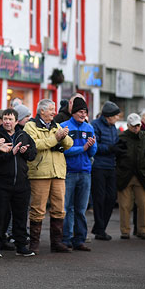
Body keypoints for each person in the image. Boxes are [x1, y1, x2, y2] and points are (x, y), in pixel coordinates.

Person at [24, 99, 74, 253]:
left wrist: (63, 136)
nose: (54, 112)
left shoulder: (56, 125)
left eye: (54, 109)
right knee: (38, 209)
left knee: (59, 208)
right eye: (51, 109)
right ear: (42, 111)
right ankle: (34, 244)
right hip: (40, 173)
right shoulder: (30, 126)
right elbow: (35, 145)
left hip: (58, 172)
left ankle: (56, 243)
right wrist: (56, 138)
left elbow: (70, 144)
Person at [0, 108, 37, 257]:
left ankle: (21, 245)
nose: (7, 122)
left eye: (10, 119)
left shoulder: (23, 135)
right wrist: (11, 153)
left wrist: (24, 152)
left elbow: (32, 155)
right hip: (1, 183)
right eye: (5, 119)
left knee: (21, 215)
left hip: (21, 183)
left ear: (16, 121)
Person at [60, 97, 97, 251]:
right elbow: (65, 151)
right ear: (74, 112)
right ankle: (66, 239)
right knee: (67, 207)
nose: (83, 114)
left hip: (85, 173)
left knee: (81, 208)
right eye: (80, 111)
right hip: (69, 172)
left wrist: (92, 146)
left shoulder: (89, 128)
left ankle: (80, 239)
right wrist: (83, 148)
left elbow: (93, 152)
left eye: (85, 112)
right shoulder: (64, 127)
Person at [116, 113, 145, 239]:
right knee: (125, 205)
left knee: (143, 204)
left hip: (141, 175)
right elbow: (115, 156)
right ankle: (125, 231)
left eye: (138, 126)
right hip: (125, 175)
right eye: (133, 126)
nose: (136, 128)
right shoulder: (121, 137)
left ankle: (142, 230)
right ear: (128, 126)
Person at [91, 101, 121, 241]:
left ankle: (100, 227)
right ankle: (100, 230)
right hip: (99, 167)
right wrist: (110, 148)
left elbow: (114, 144)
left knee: (111, 198)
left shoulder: (113, 127)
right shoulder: (95, 125)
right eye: (116, 115)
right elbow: (95, 146)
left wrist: (120, 147)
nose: (118, 118)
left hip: (111, 166)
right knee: (99, 198)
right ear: (109, 116)